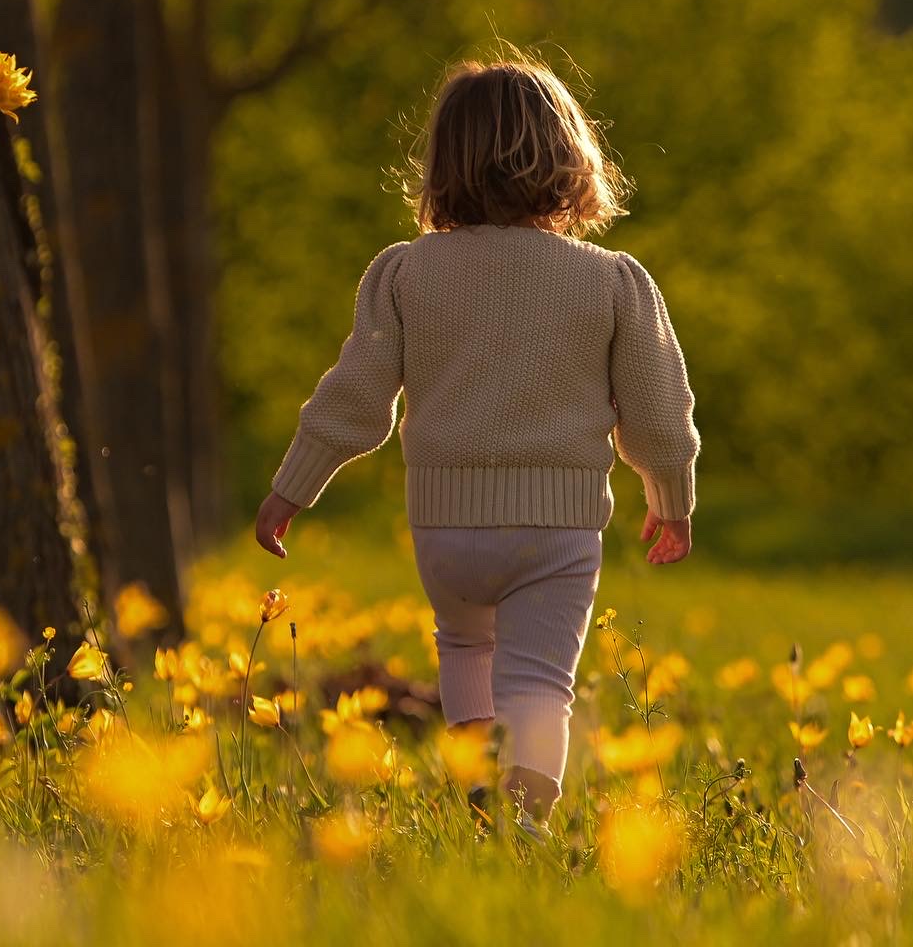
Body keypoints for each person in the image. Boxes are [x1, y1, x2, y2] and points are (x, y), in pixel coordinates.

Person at [254, 58, 700, 820]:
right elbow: (658, 412)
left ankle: (478, 800)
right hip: (556, 528)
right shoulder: (613, 280)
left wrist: (289, 488)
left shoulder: (403, 274)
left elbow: (354, 399)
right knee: (537, 684)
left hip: (446, 526)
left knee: (464, 651)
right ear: (571, 158)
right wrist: (672, 497)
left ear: (442, 167)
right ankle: (523, 823)